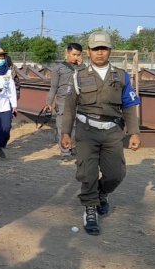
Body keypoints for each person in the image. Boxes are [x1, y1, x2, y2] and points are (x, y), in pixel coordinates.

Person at [61, 30, 141, 236]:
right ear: (88, 51)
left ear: (110, 51)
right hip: (86, 131)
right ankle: (90, 209)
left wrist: (133, 132)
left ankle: (102, 193)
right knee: (87, 173)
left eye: (103, 49)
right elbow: (69, 107)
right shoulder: (78, 77)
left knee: (116, 174)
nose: (99, 53)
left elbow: (130, 105)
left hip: (112, 131)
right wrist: (65, 133)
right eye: (95, 49)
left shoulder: (121, 76)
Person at [44, 42, 83, 157]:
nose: (76, 57)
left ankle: (74, 147)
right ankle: (65, 151)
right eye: (74, 54)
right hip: (62, 103)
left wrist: (81, 66)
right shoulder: (58, 69)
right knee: (62, 127)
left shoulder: (84, 68)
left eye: (78, 55)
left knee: (76, 127)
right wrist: (49, 103)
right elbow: (54, 87)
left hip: (78, 103)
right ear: (67, 53)